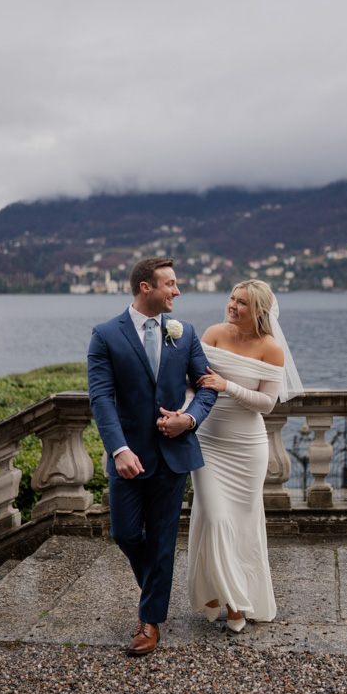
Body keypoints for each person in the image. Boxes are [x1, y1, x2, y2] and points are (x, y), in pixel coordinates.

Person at [87, 257, 217, 656]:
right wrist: (119, 448)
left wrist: (189, 420)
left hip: (174, 454)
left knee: (162, 539)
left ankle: (150, 621)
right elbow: (101, 398)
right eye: (171, 284)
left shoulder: (186, 333)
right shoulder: (106, 335)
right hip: (129, 455)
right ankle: (156, 592)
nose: (177, 291)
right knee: (123, 533)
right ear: (146, 287)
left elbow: (207, 386)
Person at [185, 279, 302, 632]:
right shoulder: (214, 333)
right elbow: (192, 382)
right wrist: (183, 414)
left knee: (241, 523)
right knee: (214, 517)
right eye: (232, 299)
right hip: (207, 439)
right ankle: (225, 596)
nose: (232, 307)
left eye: (242, 303)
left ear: (260, 311)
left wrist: (228, 386)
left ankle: (234, 600)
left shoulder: (271, 348)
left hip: (247, 447)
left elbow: (267, 404)